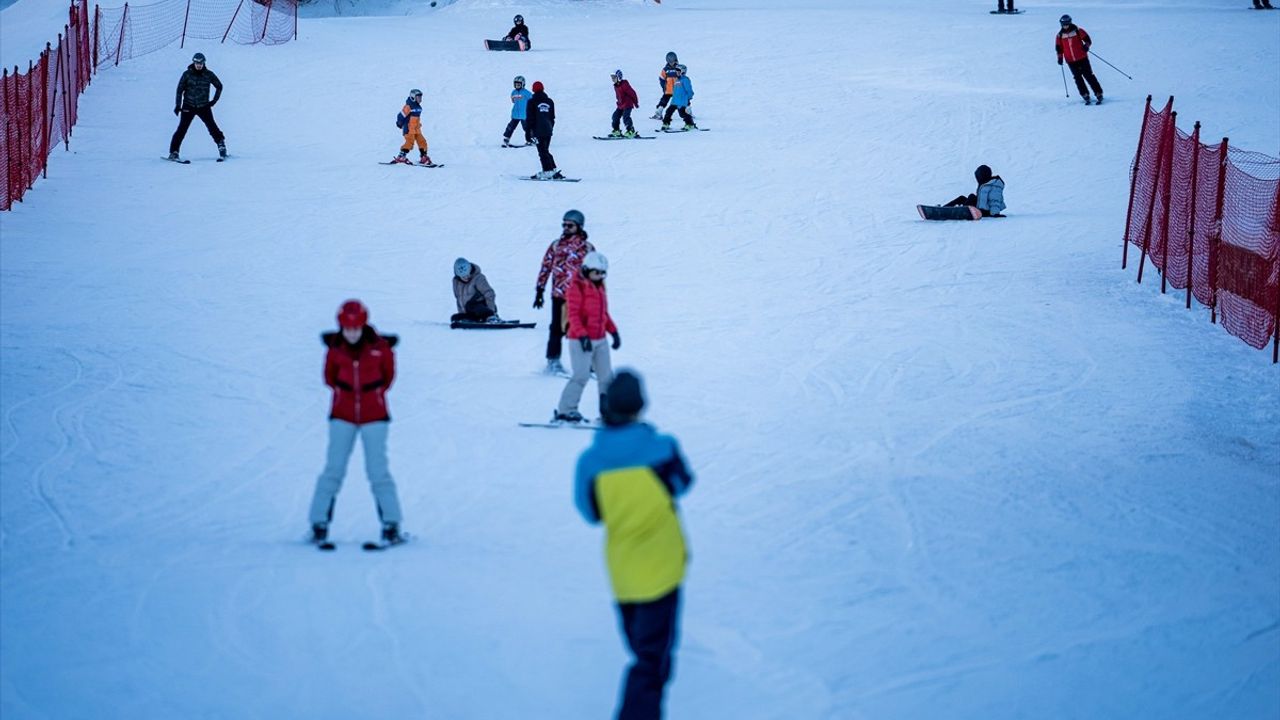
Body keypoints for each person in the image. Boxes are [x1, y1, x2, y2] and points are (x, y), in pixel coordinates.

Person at [574, 369, 694, 720]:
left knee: (643, 653)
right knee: (651, 662)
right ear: (640, 405)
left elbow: (590, 512)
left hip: (623, 572)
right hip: (664, 568)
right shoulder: (662, 449)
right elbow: (682, 484)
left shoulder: (590, 462)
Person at [308, 300, 406, 546]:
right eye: (347, 329)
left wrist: (371, 397)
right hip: (342, 417)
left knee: (378, 471)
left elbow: (388, 378)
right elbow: (329, 378)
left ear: (363, 325)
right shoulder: (335, 350)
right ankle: (318, 524)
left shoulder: (380, 349)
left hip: (375, 418)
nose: (351, 333)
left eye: (356, 328)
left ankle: (391, 525)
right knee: (333, 470)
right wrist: (347, 397)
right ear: (341, 327)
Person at [557, 251, 619, 423]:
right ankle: (566, 410)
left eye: (602, 273)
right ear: (587, 269)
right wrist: (583, 336)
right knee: (581, 375)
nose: (600, 276)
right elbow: (574, 315)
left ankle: (608, 413)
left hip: (600, 339)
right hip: (579, 340)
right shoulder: (576, 287)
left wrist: (613, 331)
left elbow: (603, 313)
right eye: (596, 272)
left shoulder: (599, 287)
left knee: (606, 378)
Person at [535, 210, 595, 375]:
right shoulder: (556, 245)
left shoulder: (588, 248)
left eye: (570, 225)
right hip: (559, 295)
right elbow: (546, 266)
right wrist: (540, 290)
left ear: (579, 227)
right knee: (556, 328)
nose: (566, 227)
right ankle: (553, 362)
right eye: (564, 224)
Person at [168, 52, 226, 161]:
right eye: (196, 63)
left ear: (204, 63)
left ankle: (221, 146)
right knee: (182, 129)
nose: (199, 65)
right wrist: (177, 105)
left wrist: (214, 100)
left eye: (201, 63)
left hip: (203, 106)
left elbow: (219, 86)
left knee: (212, 127)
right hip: (188, 106)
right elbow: (179, 90)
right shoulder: (187, 74)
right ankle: (174, 152)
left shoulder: (209, 74)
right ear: (193, 63)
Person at [1056, 15, 1103, 105]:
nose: (1065, 26)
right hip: (1070, 60)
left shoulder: (1078, 30)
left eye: (1066, 24)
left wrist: (1086, 46)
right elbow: (1059, 48)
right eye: (1063, 24)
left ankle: (1098, 93)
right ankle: (1084, 94)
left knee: (1088, 75)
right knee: (1077, 78)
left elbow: (1088, 40)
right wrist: (1060, 58)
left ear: (1070, 23)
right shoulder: (1059, 35)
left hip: (1082, 57)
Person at [526, 80, 563, 180]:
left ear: (533, 90)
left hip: (538, 131)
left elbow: (530, 119)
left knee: (542, 152)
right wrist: (551, 127)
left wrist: (528, 133)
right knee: (545, 150)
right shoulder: (550, 101)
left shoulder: (531, 102)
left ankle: (547, 171)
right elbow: (552, 117)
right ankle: (552, 169)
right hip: (548, 130)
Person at [392, 88, 432, 165]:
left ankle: (423, 157)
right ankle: (401, 157)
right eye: (418, 97)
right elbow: (400, 115)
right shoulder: (408, 106)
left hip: (416, 129)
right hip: (409, 129)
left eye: (421, 97)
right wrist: (399, 123)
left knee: (422, 142)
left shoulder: (418, 107)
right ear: (413, 97)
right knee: (409, 142)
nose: (420, 99)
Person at [451, 257, 498, 322]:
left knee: (471, 305)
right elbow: (459, 299)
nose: (466, 277)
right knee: (454, 318)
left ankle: (489, 318)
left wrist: (491, 312)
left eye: (468, 274)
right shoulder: (456, 282)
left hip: (483, 309)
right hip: (470, 313)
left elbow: (489, 293)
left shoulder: (478, 278)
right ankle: (471, 320)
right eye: (463, 276)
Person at [661, 65, 695, 131]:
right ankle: (666, 124)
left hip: (682, 101)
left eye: (678, 71)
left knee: (682, 114)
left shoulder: (685, 80)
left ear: (683, 72)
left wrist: (688, 97)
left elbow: (689, 90)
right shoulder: (677, 80)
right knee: (668, 112)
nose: (677, 72)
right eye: (676, 71)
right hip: (675, 101)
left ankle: (690, 124)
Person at [503, 75, 533, 147]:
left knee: (527, 128)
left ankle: (531, 139)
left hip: (524, 114)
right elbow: (513, 101)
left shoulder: (527, 93)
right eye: (516, 84)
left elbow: (532, 101)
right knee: (511, 127)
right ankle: (506, 139)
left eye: (519, 84)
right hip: (515, 114)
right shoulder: (513, 92)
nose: (517, 85)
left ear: (523, 84)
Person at [609, 70, 640, 138]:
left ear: (619, 77)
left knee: (626, 117)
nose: (613, 79)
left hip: (628, 104)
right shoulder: (616, 86)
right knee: (615, 116)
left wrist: (636, 103)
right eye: (612, 78)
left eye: (614, 77)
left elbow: (632, 93)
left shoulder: (624, 84)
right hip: (620, 105)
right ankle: (616, 130)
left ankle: (631, 131)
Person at [650, 52, 680, 120]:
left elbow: (682, 78)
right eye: (670, 61)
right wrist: (664, 87)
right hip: (668, 90)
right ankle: (658, 113)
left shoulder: (678, 68)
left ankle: (688, 112)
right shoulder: (665, 70)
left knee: (683, 101)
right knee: (663, 101)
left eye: (672, 61)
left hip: (677, 90)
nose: (671, 63)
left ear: (675, 60)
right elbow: (662, 79)